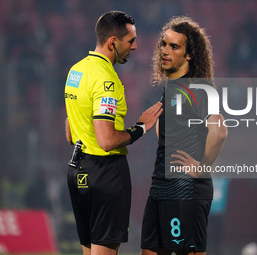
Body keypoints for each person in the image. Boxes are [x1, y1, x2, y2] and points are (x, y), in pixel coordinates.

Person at [64, 11, 162, 255]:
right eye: (130, 41)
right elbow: (107, 141)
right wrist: (140, 128)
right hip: (106, 174)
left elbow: (70, 133)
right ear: (112, 42)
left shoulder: (76, 72)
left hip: (78, 171)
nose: (136, 46)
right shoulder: (106, 79)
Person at [141, 16, 228, 255]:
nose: (165, 51)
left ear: (189, 55)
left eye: (174, 46)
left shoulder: (198, 88)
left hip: (184, 190)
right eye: (163, 44)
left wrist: (201, 168)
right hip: (160, 186)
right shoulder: (172, 89)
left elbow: (219, 131)